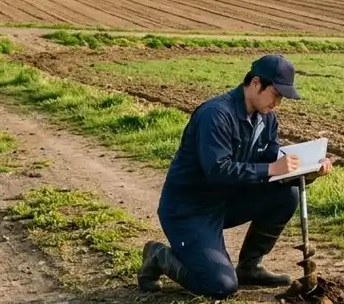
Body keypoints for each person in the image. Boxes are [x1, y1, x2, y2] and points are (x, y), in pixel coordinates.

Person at [137, 54, 333, 299]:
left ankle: (250, 267)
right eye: (276, 94)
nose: (278, 103)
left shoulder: (267, 118)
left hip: (226, 202)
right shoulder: (215, 114)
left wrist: (309, 170)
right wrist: (272, 169)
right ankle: (159, 256)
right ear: (255, 84)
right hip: (189, 210)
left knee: (286, 194)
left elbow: (272, 162)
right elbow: (218, 170)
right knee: (220, 286)